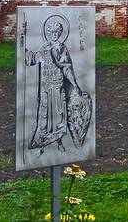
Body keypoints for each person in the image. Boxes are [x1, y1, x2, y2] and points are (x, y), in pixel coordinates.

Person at [26, 13, 90, 153]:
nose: (54, 34)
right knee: (45, 117)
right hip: (46, 88)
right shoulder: (44, 48)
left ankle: (59, 142)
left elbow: (67, 68)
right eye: (51, 32)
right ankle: (42, 144)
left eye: (57, 32)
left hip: (58, 86)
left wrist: (74, 85)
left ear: (60, 33)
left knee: (60, 116)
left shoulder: (62, 49)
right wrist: (21, 44)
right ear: (48, 33)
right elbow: (31, 60)